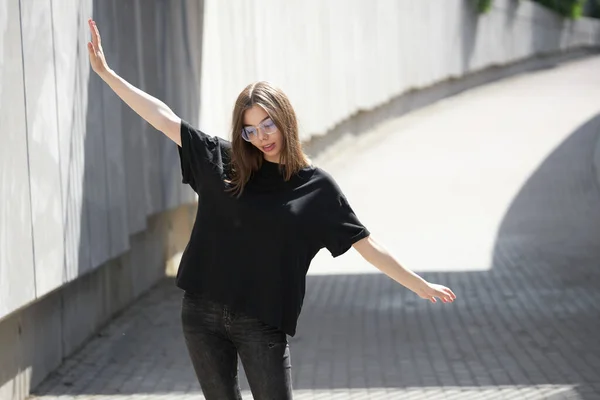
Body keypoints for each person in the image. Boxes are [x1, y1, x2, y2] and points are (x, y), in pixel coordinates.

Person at [87, 17, 456, 400]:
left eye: (267, 125)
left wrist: (419, 284)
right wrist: (108, 74)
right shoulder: (222, 163)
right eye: (250, 130)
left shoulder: (316, 188)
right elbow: (163, 117)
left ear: (285, 120)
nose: (261, 137)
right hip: (201, 314)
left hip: (261, 323)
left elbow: (365, 243)